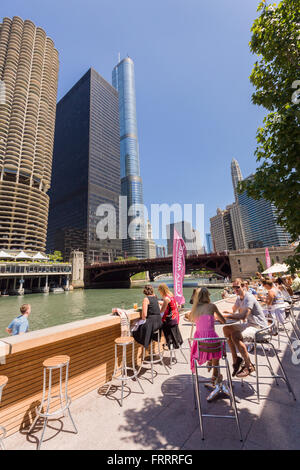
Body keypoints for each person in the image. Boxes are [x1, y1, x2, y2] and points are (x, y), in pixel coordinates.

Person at [223, 279, 268, 378]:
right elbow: (233, 309)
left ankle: (249, 366)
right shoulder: (239, 298)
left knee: (235, 335)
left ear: (243, 286)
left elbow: (243, 316)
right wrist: (222, 313)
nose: (235, 289)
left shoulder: (249, 297)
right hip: (250, 324)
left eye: (237, 287)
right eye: (233, 287)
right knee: (226, 329)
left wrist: (226, 316)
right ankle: (236, 360)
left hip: (260, 328)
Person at [189, 287, 226, 383]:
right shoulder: (212, 306)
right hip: (212, 340)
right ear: (207, 296)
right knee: (217, 346)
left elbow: (191, 319)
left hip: (199, 343)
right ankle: (215, 374)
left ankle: (211, 364)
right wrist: (214, 319)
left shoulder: (195, 308)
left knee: (209, 345)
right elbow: (223, 321)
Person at [158, 283, 183, 350]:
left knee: (160, 325)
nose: (158, 291)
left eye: (159, 290)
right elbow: (170, 304)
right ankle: (169, 342)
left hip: (170, 320)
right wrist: (159, 302)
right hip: (175, 317)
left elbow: (162, 310)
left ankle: (167, 343)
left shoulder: (166, 298)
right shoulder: (171, 295)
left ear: (162, 290)